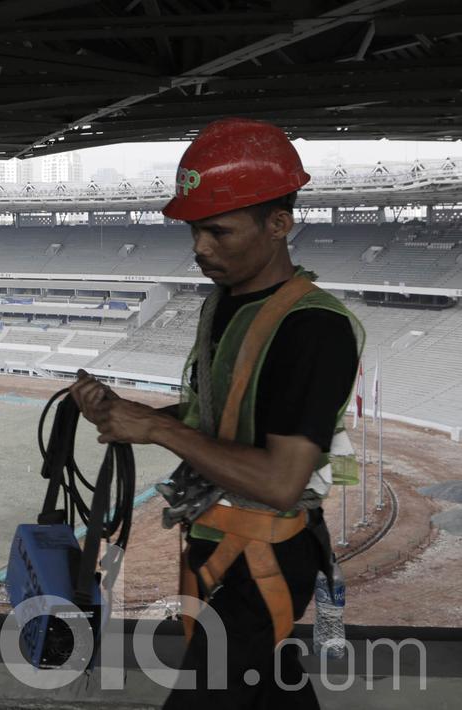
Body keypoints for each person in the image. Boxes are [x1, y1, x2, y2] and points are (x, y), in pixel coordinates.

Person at [68, 118, 362, 709]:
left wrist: (157, 427)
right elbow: (221, 414)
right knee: (266, 688)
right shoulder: (226, 305)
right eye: (196, 232)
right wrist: (134, 412)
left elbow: (281, 482)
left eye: (219, 232)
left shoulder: (313, 328)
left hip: (266, 555)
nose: (201, 249)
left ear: (279, 224)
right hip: (220, 547)